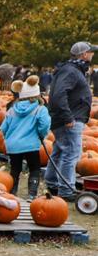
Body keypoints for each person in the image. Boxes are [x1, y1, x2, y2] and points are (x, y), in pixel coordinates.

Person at [45, 41, 96, 201]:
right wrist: (67, 117)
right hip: (69, 120)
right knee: (71, 154)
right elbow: (58, 95)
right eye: (91, 52)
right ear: (84, 54)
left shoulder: (72, 69)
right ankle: (66, 190)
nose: (93, 54)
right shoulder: (71, 71)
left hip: (67, 118)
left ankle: (52, 183)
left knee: (60, 151)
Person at [0, 76, 50, 201]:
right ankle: (32, 195)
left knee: (15, 169)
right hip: (30, 144)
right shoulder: (40, 109)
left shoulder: (12, 109)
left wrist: (7, 138)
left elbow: (4, 128)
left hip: (13, 145)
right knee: (34, 168)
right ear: (37, 94)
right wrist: (41, 134)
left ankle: (12, 192)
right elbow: (44, 125)